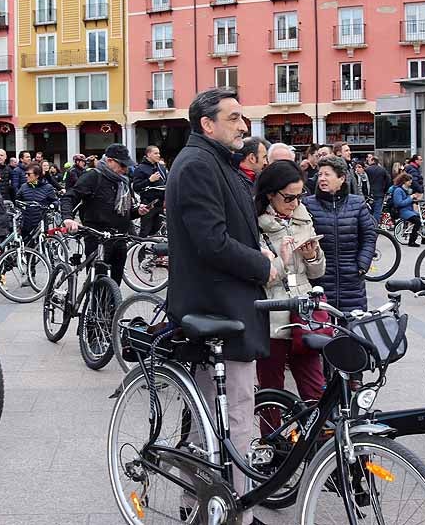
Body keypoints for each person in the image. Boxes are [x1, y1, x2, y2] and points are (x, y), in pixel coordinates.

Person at [165, 89, 275, 525]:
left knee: (209, 415)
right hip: (218, 308)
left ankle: (200, 503)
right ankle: (235, 513)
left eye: (242, 118)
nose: (243, 126)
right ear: (207, 124)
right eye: (233, 118)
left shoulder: (213, 162)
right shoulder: (197, 165)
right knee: (237, 416)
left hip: (222, 307)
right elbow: (211, 242)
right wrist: (262, 265)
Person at [254, 161, 326, 402]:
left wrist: (312, 255)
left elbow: (317, 272)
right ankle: (271, 440)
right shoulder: (255, 225)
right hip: (272, 312)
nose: (295, 204)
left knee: (315, 389)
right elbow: (259, 275)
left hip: (305, 312)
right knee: (271, 391)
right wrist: (282, 262)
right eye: (289, 198)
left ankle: (317, 438)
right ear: (270, 194)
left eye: (300, 196)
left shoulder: (303, 216)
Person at [62, 144, 148, 285]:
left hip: (119, 238)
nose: (125, 169)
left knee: (115, 286)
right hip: (98, 238)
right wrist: (68, 218)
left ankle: (111, 307)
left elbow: (124, 213)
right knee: (98, 284)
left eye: (127, 165)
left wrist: (137, 211)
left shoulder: (123, 183)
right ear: (109, 161)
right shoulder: (93, 176)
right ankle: (93, 305)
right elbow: (69, 197)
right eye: (122, 165)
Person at [303, 156, 377, 314]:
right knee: (322, 329)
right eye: (320, 174)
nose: (322, 178)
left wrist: (362, 265)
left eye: (327, 174)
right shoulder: (308, 204)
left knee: (352, 328)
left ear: (341, 178)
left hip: (352, 279)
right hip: (320, 278)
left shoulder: (357, 203)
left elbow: (369, 236)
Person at [132, 145, 168, 237]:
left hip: (160, 204)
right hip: (148, 203)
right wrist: (149, 180)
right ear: (148, 154)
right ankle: (140, 250)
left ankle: (152, 250)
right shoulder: (140, 168)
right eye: (155, 153)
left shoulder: (161, 168)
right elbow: (136, 187)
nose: (158, 155)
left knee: (157, 230)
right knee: (145, 231)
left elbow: (166, 184)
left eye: (159, 153)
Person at [16, 164, 61, 238]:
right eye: (25, 174)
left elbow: (55, 201)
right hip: (26, 222)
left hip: (41, 222)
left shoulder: (47, 187)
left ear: (37, 176)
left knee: (42, 245)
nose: (26, 176)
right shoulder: (23, 186)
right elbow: (17, 200)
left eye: (28, 174)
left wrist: (52, 206)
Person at [391, 172, 425, 247]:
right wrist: (410, 198)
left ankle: (424, 238)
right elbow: (399, 203)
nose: (411, 183)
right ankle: (412, 241)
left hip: (409, 210)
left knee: (423, 220)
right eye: (409, 182)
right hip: (403, 211)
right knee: (417, 221)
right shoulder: (398, 190)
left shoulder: (406, 190)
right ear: (404, 181)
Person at [365, 156, 391, 222]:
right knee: (377, 211)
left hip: (369, 194)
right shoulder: (382, 170)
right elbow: (388, 180)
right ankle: (375, 225)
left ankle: (369, 224)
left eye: (370, 160)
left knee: (369, 210)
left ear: (373, 161)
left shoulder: (367, 170)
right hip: (380, 193)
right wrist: (385, 190)